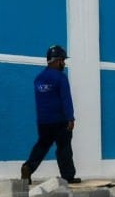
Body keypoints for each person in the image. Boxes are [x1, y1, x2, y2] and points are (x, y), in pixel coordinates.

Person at [21, 44, 76, 184]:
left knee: (42, 146)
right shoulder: (60, 78)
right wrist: (70, 118)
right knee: (64, 148)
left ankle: (28, 166)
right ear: (57, 61)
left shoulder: (39, 78)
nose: (64, 63)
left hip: (43, 122)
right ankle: (68, 176)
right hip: (60, 121)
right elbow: (66, 99)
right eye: (63, 60)